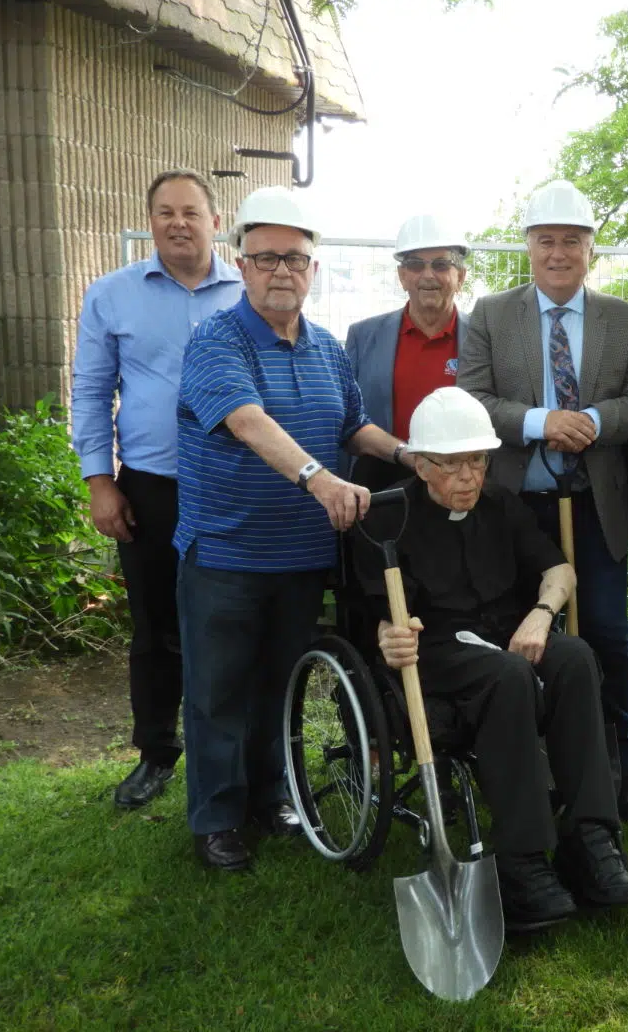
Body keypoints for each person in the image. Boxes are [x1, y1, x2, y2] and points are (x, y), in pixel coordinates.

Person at [174, 185, 412, 871]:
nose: (282, 270)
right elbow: (246, 420)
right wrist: (320, 479)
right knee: (218, 692)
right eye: (267, 257)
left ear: (313, 269)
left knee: (280, 684)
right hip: (226, 552)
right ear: (241, 265)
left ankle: (274, 796)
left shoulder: (327, 348)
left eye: (296, 259)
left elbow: (351, 424)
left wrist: (405, 453)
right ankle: (217, 819)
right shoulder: (216, 342)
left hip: (300, 557)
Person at [357, 387, 628, 932]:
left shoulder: (501, 504)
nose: (469, 477)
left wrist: (541, 613)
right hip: (437, 654)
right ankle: (523, 860)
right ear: (420, 463)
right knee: (510, 675)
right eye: (453, 464)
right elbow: (376, 617)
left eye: (478, 461)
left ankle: (589, 839)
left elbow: (559, 572)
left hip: (511, 634)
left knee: (576, 657)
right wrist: (386, 634)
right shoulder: (387, 519)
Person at [458, 179, 628, 821]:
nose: (558, 252)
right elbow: (474, 400)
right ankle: (537, 763)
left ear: (590, 249)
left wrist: (594, 420)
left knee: (604, 634)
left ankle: (619, 763)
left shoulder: (625, 320)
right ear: (529, 246)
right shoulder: (490, 315)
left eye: (571, 241)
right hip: (516, 509)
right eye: (546, 240)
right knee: (522, 636)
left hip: (594, 508)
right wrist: (542, 420)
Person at [71, 169, 242, 810]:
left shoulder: (247, 292)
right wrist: (99, 483)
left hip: (234, 486)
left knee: (231, 621)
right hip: (150, 487)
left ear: (215, 222)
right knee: (154, 627)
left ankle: (237, 752)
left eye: (191, 212)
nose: (178, 223)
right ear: (150, 221)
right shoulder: (112, 295)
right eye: (165, 212)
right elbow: (91, 391)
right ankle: (156, 753)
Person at [345, 214, 471, 490]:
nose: (428, 275)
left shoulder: (482, 338)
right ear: (402, 277)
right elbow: (347, 421)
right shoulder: (363, 337)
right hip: (383, 483)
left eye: (441, 265)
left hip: (460, 485)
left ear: (460, 276)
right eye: (415, 265)